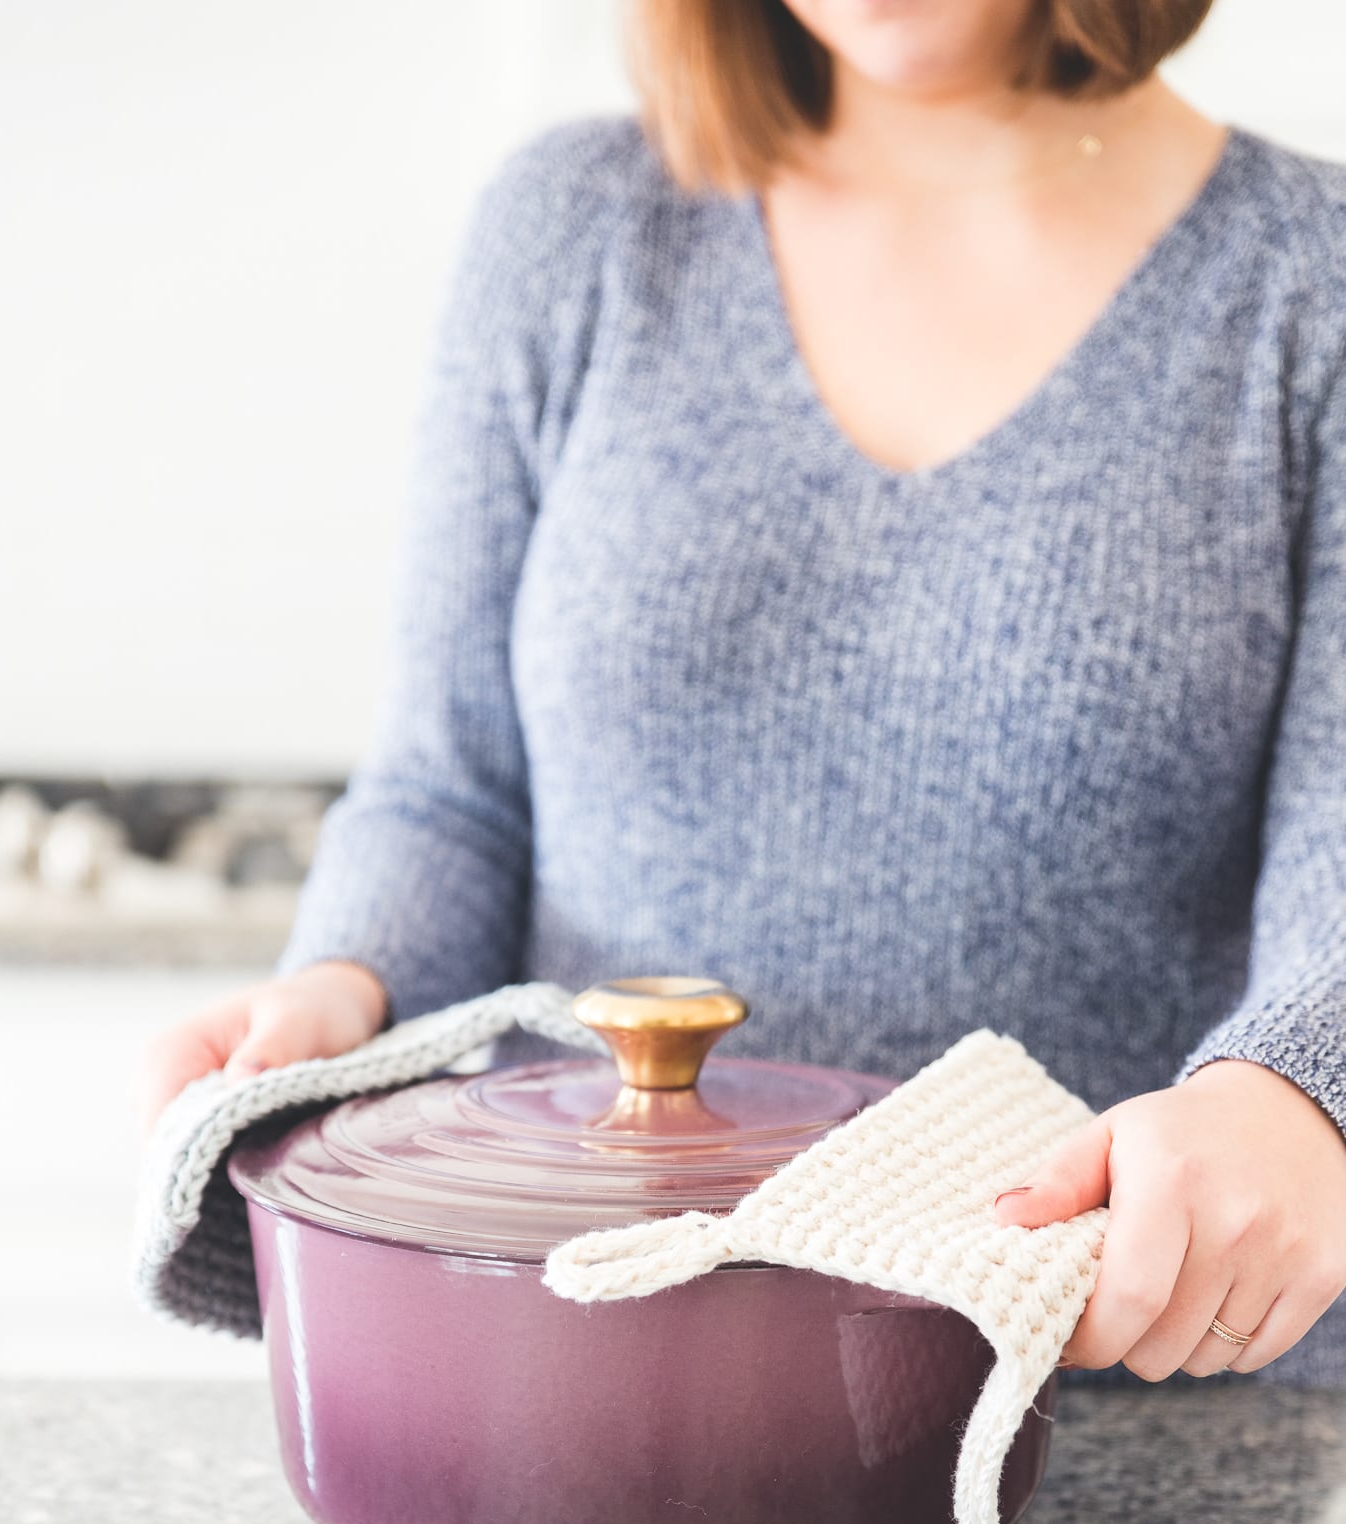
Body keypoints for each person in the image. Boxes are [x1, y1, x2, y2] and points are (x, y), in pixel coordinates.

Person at [140, 0, 1346, 1385]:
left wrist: (1291, 1090)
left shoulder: (1310, 281)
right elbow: (450, 790)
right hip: (592, 1369)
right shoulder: (574, 225)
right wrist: (342, 984)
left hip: (1103, 1396)